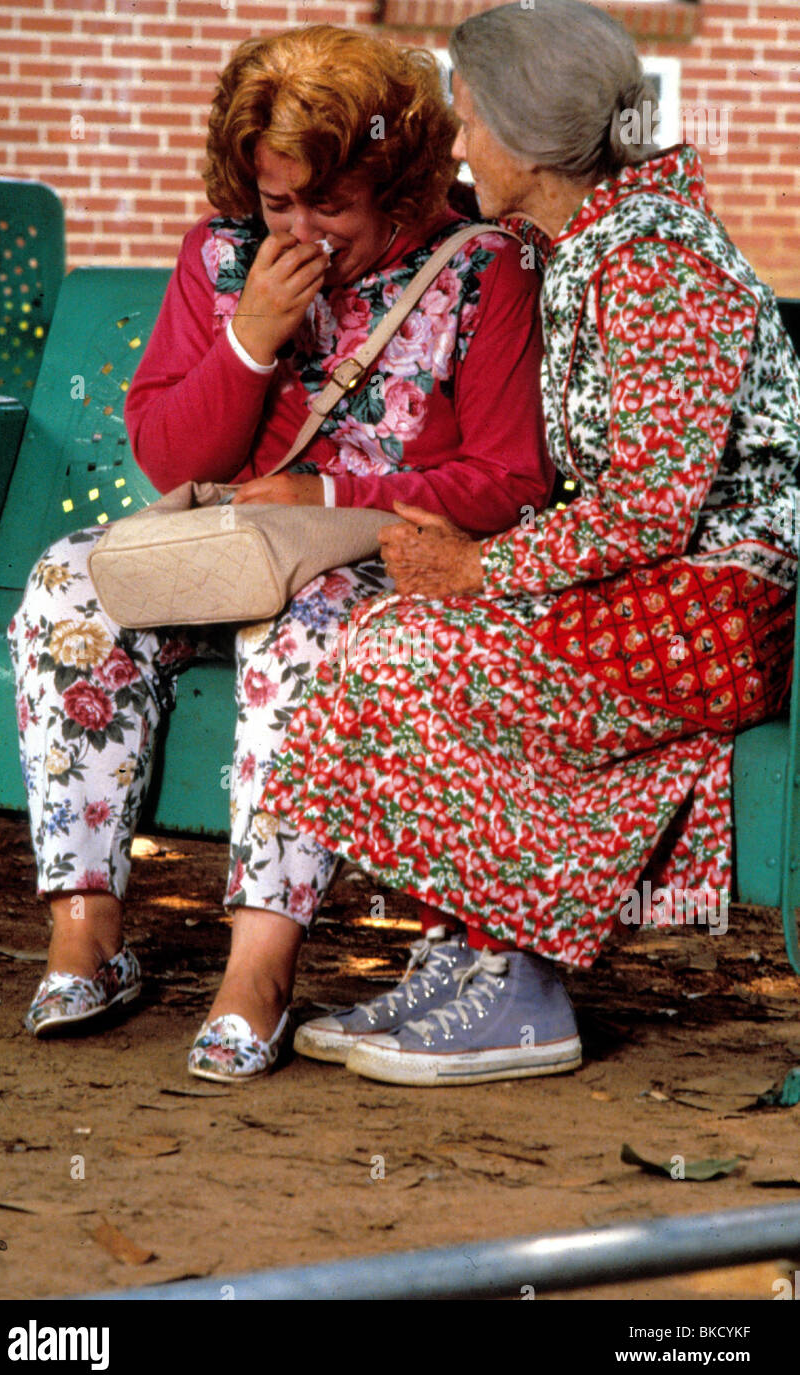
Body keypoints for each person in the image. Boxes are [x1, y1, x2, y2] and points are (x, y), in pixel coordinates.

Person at [261, 0, 800, 1085]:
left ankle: (523, 992)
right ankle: (467, 950)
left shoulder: (655, 266)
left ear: (531, 135)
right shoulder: (583, 239)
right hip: (649, 589)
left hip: (712, 607)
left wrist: (475, 569)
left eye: (468, 123)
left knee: (410, 654)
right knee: (389, 630)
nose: (458, 147)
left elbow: (649, 507)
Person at [7, 24, 551, 1081]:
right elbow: (171, 449)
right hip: (225, 546)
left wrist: (331, 490)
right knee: (68, 586)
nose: (298, 229)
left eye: (327, 205)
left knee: (302, 629)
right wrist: (249, 337)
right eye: (275, 202)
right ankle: (87, 931)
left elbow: (509, 478)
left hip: (369, 561)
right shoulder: (219, 257)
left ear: (393, 186)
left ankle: (257, 967)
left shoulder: (481, 270)